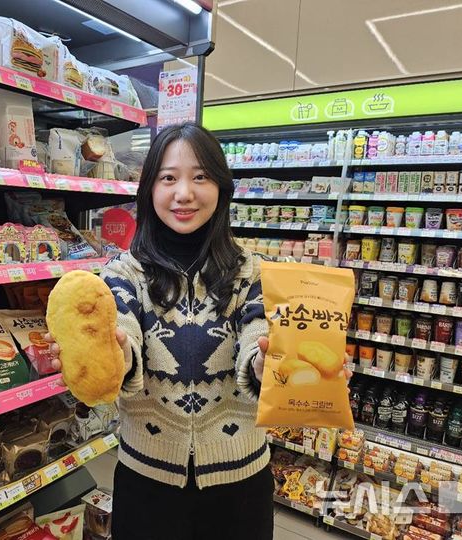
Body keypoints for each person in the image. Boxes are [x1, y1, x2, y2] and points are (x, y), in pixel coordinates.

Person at [46, 123, 346, 539]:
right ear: (149, 190)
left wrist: (275, 364)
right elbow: (124, 337)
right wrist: (106, 354)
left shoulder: (254, 274)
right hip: (146, 485)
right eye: (168, 178)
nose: (184, 193)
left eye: (200, 177)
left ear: (222, 187)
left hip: (240, 487)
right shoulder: (122, 274)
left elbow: (257, 344)